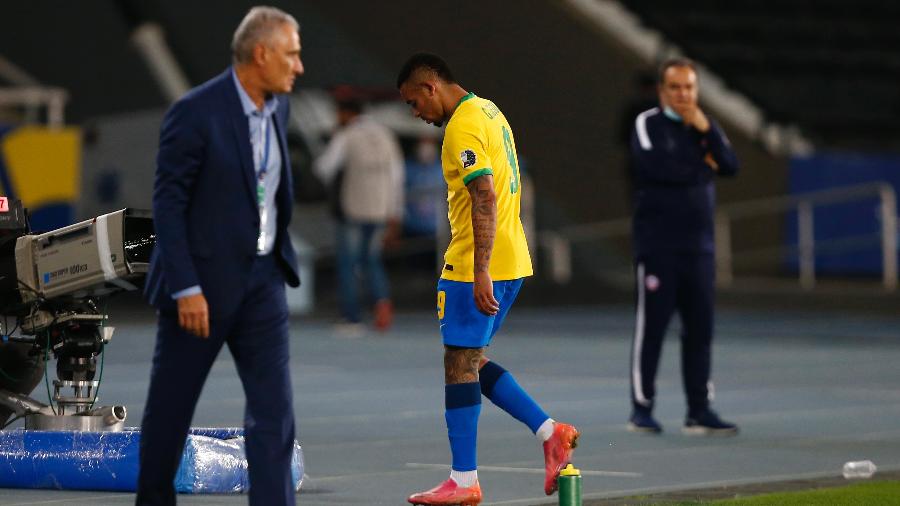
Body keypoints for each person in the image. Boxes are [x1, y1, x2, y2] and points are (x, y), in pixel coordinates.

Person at [137, 6, 303, 505]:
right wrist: (185, 286)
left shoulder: (280, 107)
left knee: (275, 415)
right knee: (171, 410)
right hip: (201, 288)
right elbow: (168, 205)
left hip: (264, 282)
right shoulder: (194, 112)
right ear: (262, 53)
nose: (299, 66)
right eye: (292, 55)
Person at [397, 53, 578, 506]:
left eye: (413, 102)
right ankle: (550, 433)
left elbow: (484, 194)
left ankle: (464, 480)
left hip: (478, 264)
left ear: (430, 86)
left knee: (458, 363)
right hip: (513, 258)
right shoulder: (489, 110)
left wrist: (478, 271)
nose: (415, 113)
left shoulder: (461, 125)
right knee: (471, 361)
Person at [628, 57, 739, 436]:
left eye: (689, 87)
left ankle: (699, 410)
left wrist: (706, 131)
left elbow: (731, 164)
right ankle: (642, 408)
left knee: (701, 331)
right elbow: (657, 169)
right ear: (662, 91)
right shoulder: (647, 124)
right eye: (675, 87)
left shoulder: (704, 127)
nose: (683, 94)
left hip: (700, 249)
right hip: (658, 247)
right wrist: (704, 166)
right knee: (653, 329)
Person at [313, 92, 404, 332]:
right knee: (371, 259)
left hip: (353, 207)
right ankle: (382, 300)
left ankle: (351, 316)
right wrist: (395, 211)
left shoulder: (346, 135)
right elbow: (397, 176)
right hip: (380, 209)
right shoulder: (385, 134)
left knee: (348, 262)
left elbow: (324, 167)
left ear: (345, 113)